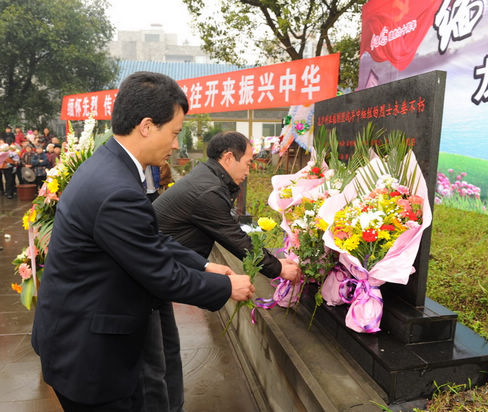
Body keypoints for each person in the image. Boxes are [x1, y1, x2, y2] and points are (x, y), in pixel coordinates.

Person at [31, 71, 254, 412]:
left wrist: (205, 264)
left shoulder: (109, 167)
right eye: (175, 133)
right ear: (147, 126)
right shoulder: (117, 189)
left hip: (80, 338)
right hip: (91, 358)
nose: (177, 144)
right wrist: (226, 288)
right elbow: (159, 272)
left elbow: (148, 240)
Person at [147, 131, 300, 410]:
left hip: (160, 273)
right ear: (229, 157)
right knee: (157, 360)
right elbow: (237, 239)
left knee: (167, 353)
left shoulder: (208, 178)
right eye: (249, 162)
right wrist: (279, 269)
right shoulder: (208, 190)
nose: (250, 168)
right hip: (150, 279)